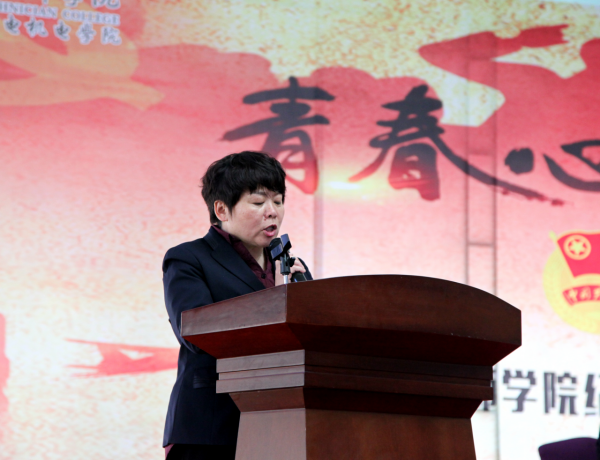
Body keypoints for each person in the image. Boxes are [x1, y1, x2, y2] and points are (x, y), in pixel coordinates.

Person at [162, 151, 312, 460]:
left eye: (278, 201)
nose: (272, 212)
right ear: (221, 209)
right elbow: (196, 335)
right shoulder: (188, 259)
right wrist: (275, 301)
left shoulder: (290, 268)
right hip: (210, 428)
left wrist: (305, 295)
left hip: (283, 425)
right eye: (258, 203)